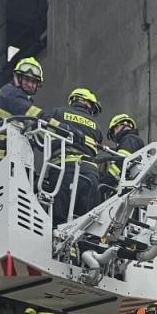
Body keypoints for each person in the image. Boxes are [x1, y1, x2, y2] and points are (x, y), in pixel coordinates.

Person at [47, 88, 103, 223]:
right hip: (89, 173)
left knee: (58, 219)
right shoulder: (96, 126)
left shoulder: (58, 113)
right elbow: (95, 151)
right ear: (86, 101)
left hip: (63, 169)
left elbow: (45, 139)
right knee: (84, 223)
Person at [0, 56, 45, 162]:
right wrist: (62, 127)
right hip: (3, 154)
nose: (30, 84)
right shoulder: (11, 93)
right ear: (16, 77)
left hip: (14, 154)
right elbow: (35, 117)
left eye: (34, 81)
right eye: (26, 79)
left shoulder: (19, 98)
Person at [101, 112, 144, 194]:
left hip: (125, 192)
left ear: (118, 127)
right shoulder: (132, 141)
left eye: (114, 130)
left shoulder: (129, 139)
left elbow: (122, 162)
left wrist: (104, 181)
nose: (114, 134)